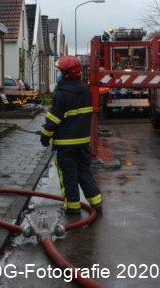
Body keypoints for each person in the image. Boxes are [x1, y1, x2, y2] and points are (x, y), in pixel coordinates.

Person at [40, 55, 103, 216]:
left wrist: (45, 136)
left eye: (60, 72)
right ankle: (97, 204)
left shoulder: (61, 94)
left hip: (64, 146)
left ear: (67, 74)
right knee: (84, 173)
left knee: (69, 176)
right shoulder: (86, 92)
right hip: (83, 144)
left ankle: (73, 208)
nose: (58, 74)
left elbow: (53, 120)